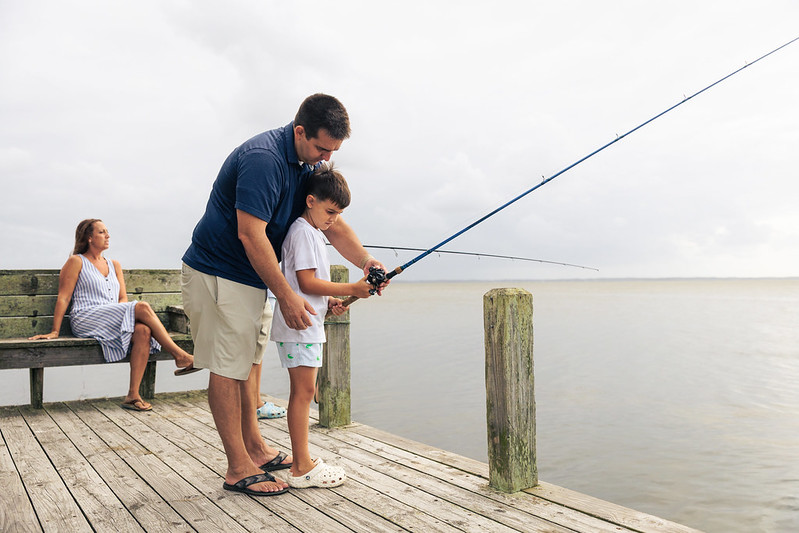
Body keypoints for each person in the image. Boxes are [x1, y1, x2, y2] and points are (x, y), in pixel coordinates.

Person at [181, 93, 387, 497]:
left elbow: (332, 224)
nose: (324, 158)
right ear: (299, 131)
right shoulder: (265, 160)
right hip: (219, 271)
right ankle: (238, 466)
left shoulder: (307, 163)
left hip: (251, 277)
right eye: (321, 148)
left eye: (333, 151)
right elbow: (250, 233)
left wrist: (367, 262)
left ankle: (255, 448)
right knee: (227, 365)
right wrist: (288, 295)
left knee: (246, 361)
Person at [29, 219, 200, 412]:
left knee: (143, 330)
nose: (107, 235)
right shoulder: (76, 261)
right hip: (86, 318)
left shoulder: (114, 264)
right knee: (142, 307)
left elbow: (122, 298)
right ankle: (181, 356)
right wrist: (54, 331)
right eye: (102, 232)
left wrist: (124, 316)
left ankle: (132, 395)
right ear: (89, 237)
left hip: (112, 317)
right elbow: (64, 297)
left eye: (107, 232)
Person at [271, 164, 370, 488]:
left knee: (305, 391)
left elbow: (306, 288)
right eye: (330, 211)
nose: (333, 220)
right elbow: (307, 282)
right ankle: (302, 466)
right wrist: (353, 289)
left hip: (306, 323)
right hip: (299, 327)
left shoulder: (311, 231)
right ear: (310, 200)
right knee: (303, 393)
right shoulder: (302, 232)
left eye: (338, 214)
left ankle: (303, 460)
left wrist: (329, 304)